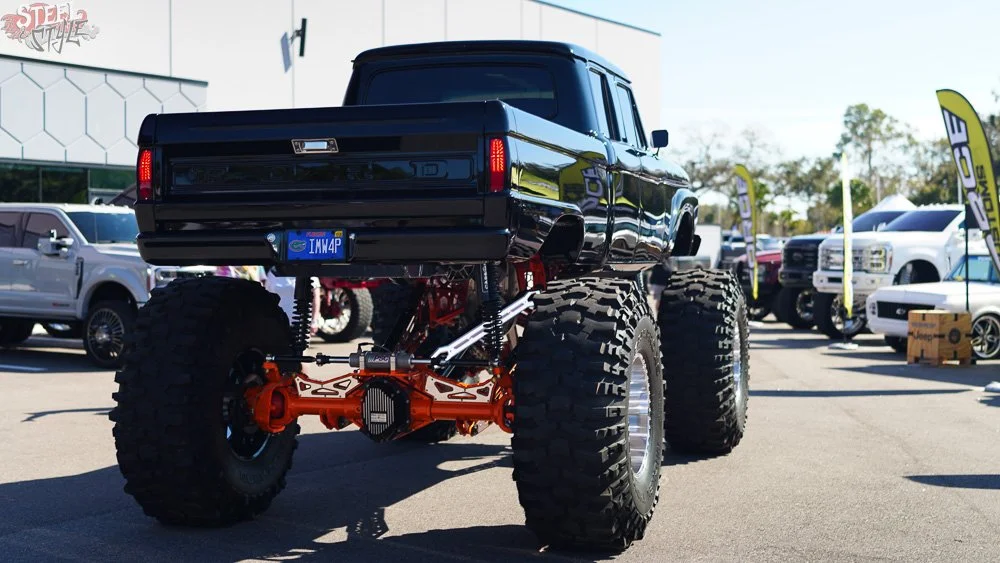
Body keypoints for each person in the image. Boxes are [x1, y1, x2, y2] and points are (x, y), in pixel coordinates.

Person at [263, 268, 321, 334]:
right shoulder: (273, 271)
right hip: (277, 323)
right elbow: (267, 298)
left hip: (301, 323)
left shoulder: (308, 271)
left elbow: (315, 297)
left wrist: (314, 321)